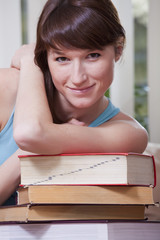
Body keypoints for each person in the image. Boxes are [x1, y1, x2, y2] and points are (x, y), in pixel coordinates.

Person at [0, 0, 148, 205]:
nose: (78, 77)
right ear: (45, 57)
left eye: (92, 56)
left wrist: (29, 61)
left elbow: (31, 133)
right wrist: (32, 63)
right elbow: (32, 135)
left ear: (118, 51)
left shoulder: (129, 132)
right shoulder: (6, 88)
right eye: (62, 58)